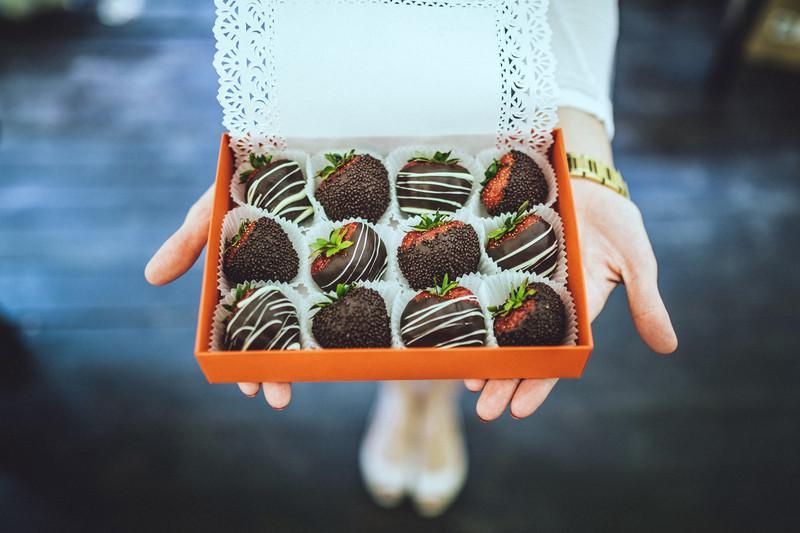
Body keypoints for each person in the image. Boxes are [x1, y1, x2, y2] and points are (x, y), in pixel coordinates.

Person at [145, 0, 677, 518]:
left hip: (484, 69)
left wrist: (584, 157)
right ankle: (404, 385)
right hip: (324, 77)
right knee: (391, 294)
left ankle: (435, 386)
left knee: (427, 290)